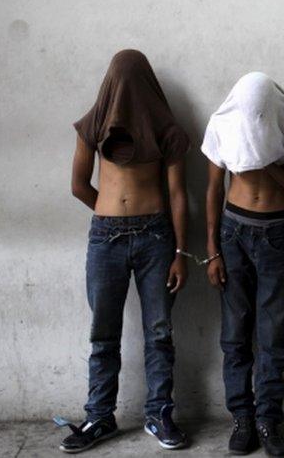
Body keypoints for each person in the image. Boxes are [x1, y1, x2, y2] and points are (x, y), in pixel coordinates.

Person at [58, 49, 190, 453]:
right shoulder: (94, 125)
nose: (128, 89)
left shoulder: (167, 129)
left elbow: (178, 194)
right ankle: (99, 416)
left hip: (155, 237)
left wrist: (182, 251)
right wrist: (109, 210)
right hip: (106, 237)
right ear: (110, 83)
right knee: (103, 334)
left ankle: (159, 413)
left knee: (159, 333)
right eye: (121, 79)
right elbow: (79, 184)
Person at [202, 72, 284, 457]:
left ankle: (268, 419)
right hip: (234, 232)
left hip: (276, 232)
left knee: (273, 331)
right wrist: (212, 250)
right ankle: (242, 418)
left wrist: (264, 157)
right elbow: (214, 188)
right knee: (235, 333)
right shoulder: (223, 123)